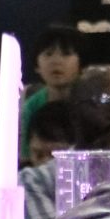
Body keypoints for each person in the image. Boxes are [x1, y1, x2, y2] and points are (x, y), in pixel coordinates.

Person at [18, 26, 82, 162]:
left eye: (66, 54)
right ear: (36, 65)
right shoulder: (31, 106)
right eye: (48, 54)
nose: (56, 61)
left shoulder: (88, 103)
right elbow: (26, 157)